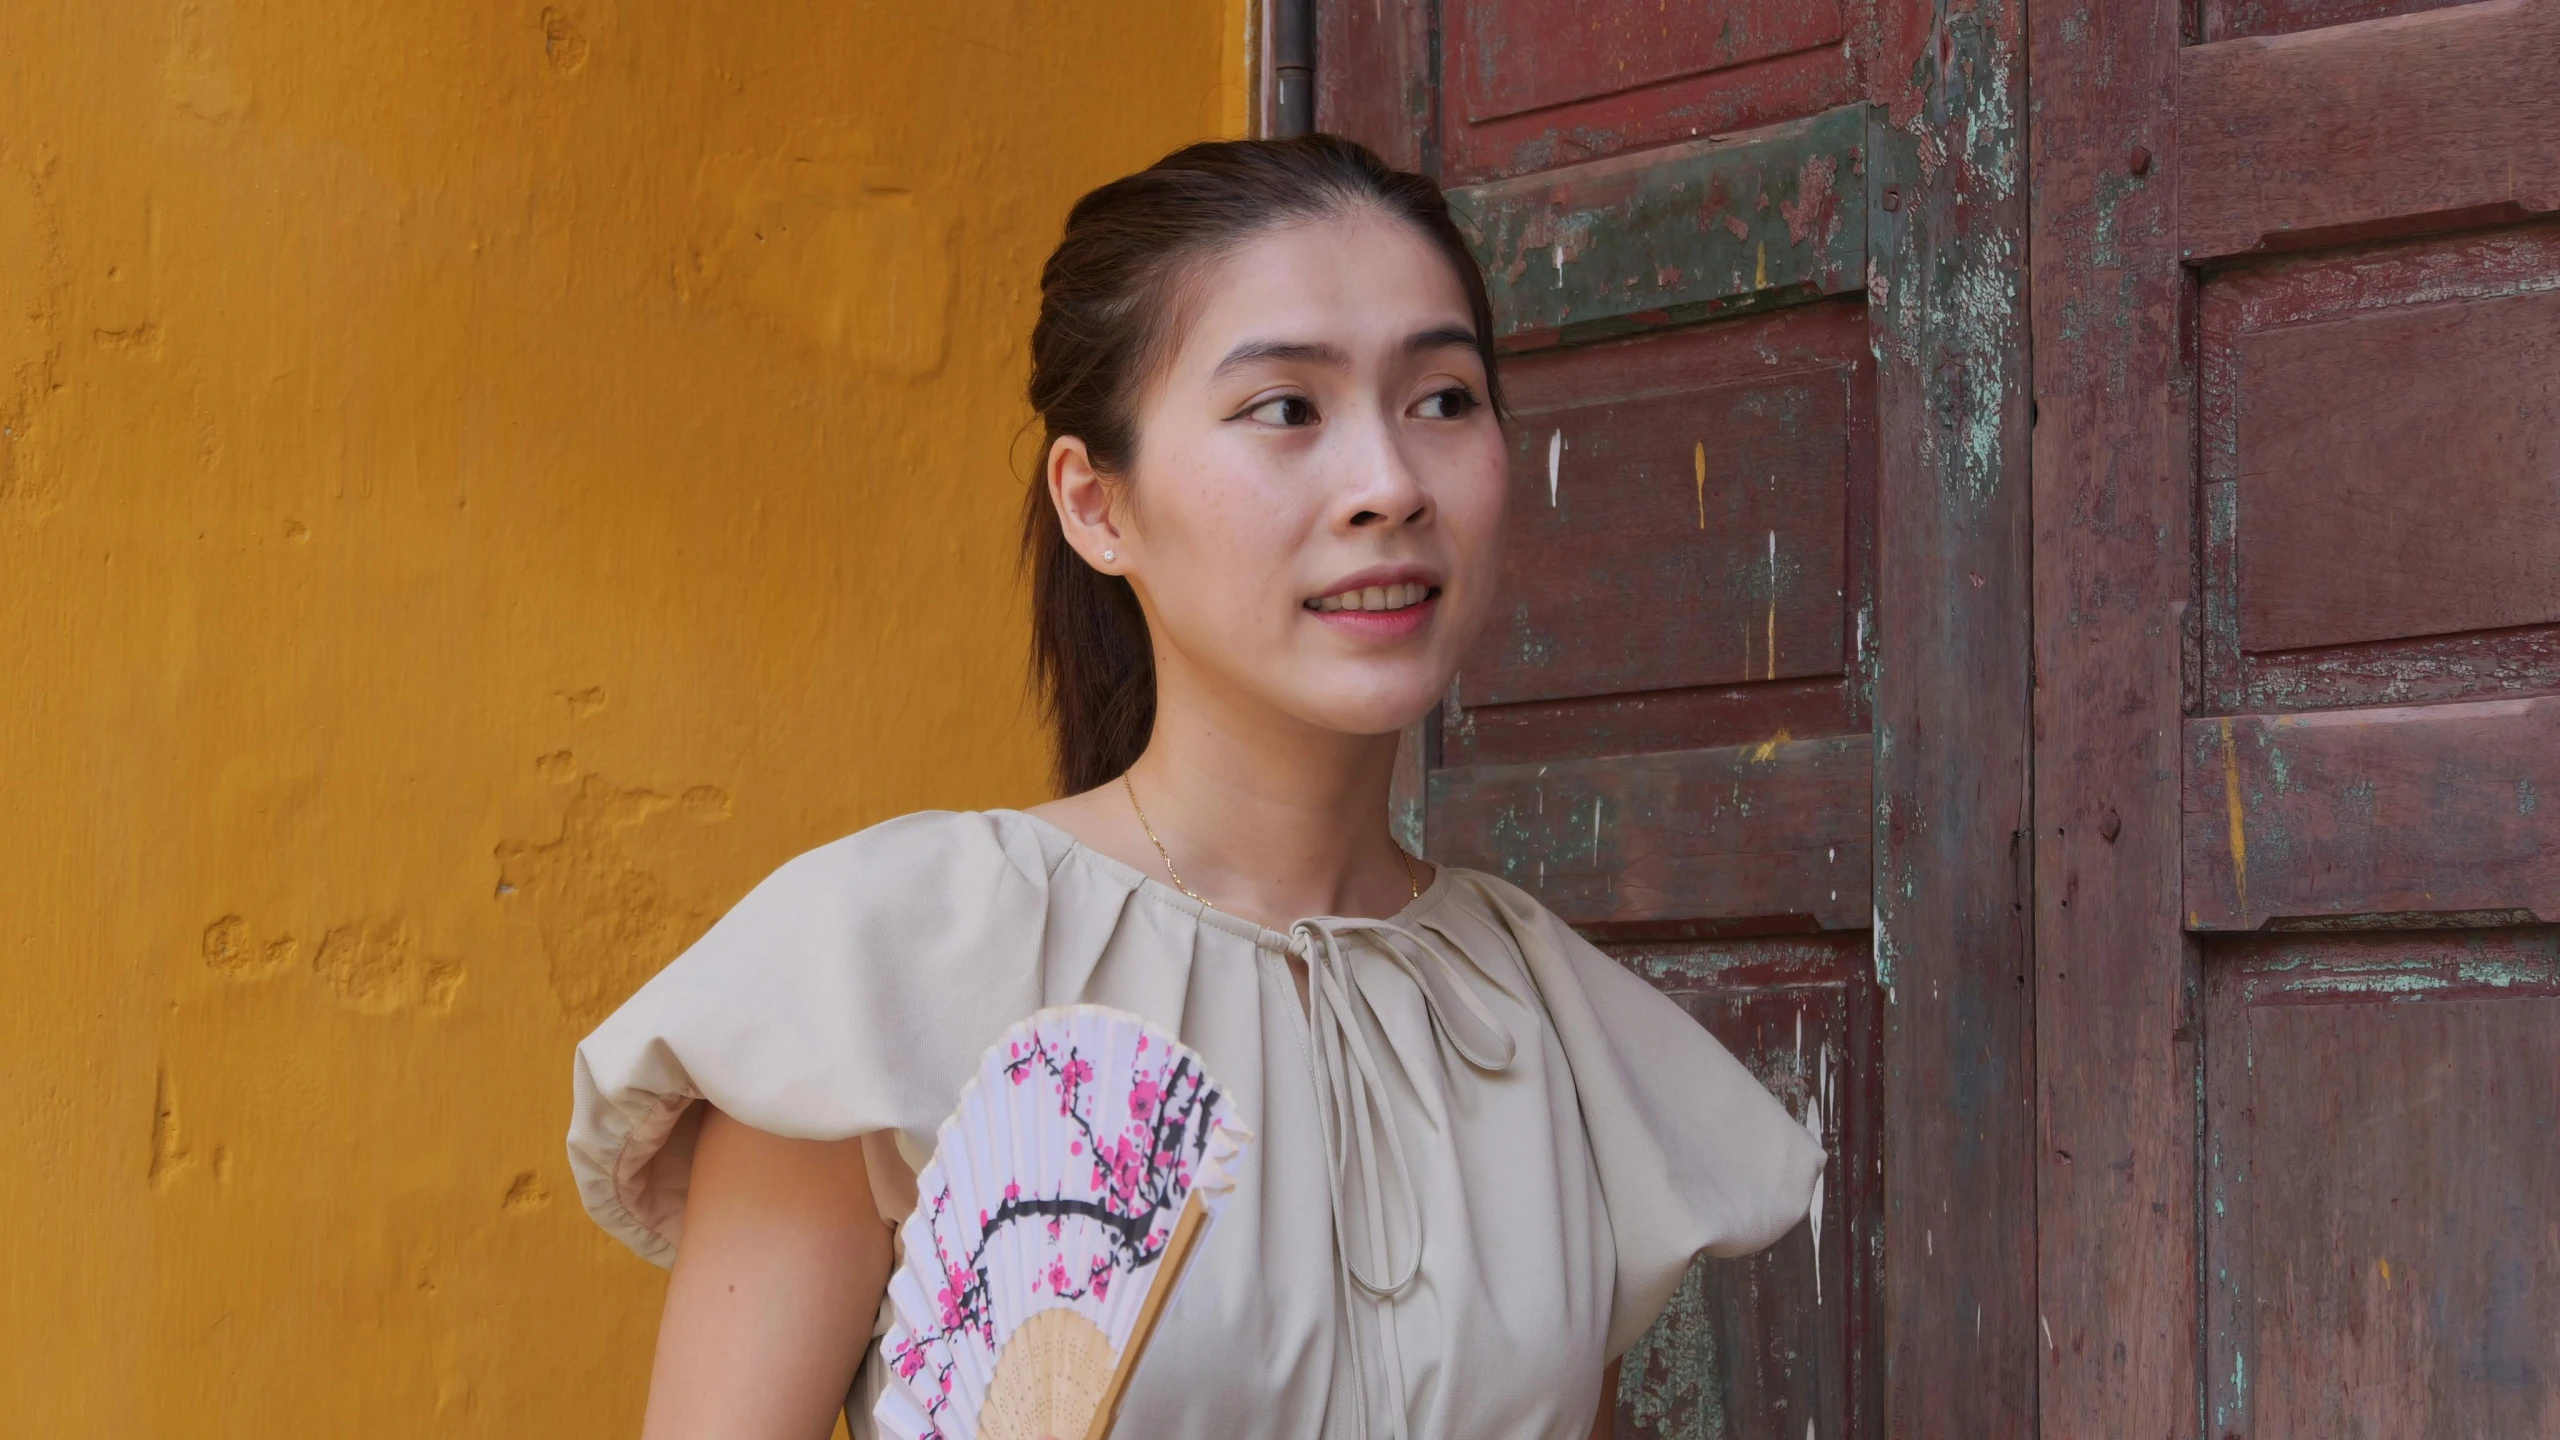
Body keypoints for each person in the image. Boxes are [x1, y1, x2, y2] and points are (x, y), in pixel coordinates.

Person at [567, 134, 1824, 1440]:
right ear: (1096, 504)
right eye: (1285, 408)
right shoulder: (890, 967)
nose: (1389, 485)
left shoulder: (1556, 1032)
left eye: (1442, 398)